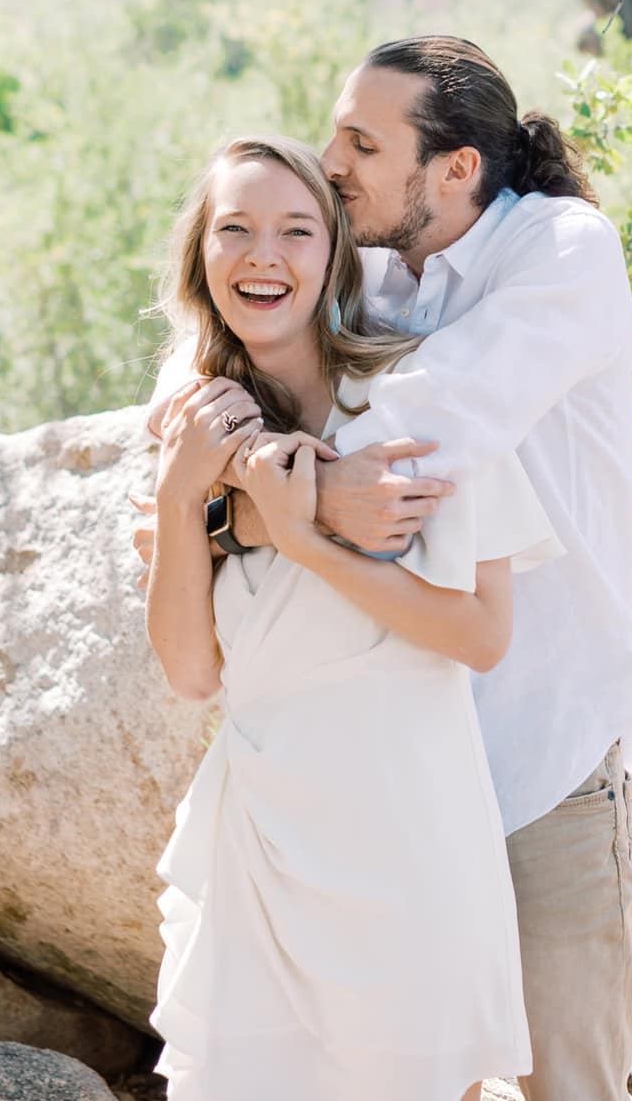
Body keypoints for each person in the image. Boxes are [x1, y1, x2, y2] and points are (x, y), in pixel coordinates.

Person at [135, 36, 632, 1098]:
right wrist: (220, 467)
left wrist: (246, 505)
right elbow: (214, 342)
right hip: (388, 766)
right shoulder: (378, 262)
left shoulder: (562, 250)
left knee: (565, 1075)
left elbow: (429, 430)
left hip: (538, 734)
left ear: (454, 170)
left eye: (360, 141)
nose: (331, 162)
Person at [144, 133, 560, 1099]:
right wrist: (178, 498)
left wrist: (306, 541)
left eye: (296, 230)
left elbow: (482, 634)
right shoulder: (195, 429)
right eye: (235, 230)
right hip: (262, 840)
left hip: (410, 837)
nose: (264, 256)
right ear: (200, 258)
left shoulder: (422, 400)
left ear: (334, 253)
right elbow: (192, 673)